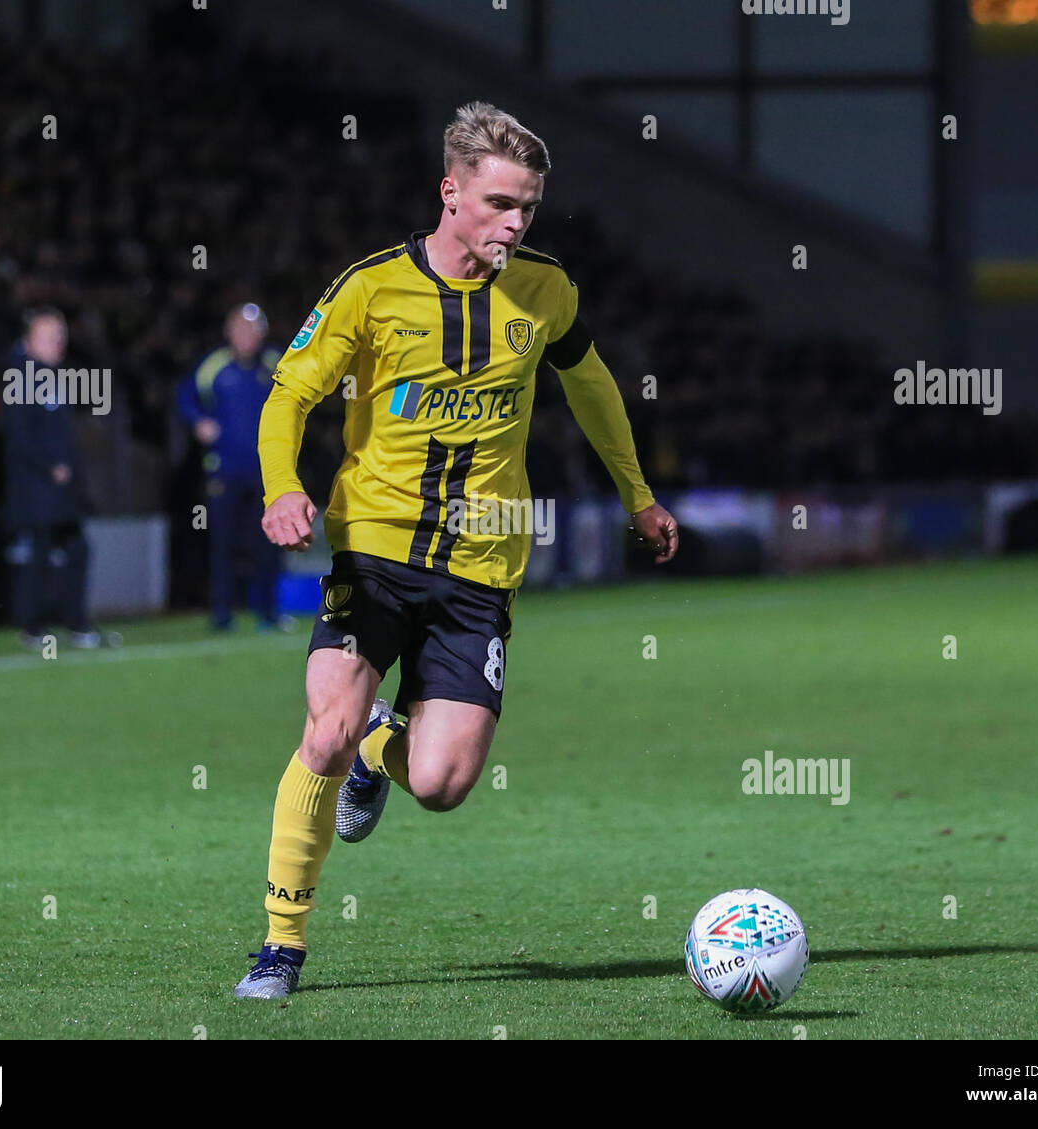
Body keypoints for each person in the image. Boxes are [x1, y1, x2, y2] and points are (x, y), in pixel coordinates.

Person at [234, 102, 679, 999]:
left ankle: (378, 754)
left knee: (440, 783)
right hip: (374, 554)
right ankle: (281, 946)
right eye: (502, 203)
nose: (516, 223)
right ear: (452, 191)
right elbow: (288, 396)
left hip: (481, 568)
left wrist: (637, 491)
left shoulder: (546, 290)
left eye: (529, 208)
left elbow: (589, 384)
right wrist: (283, 484)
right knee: (322, 729)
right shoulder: (369, 287)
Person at [2, 308, 111, 650]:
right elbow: (20, 437)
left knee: (74, 551)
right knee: (42, 555)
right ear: (29, 340)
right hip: (38, 490)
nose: (58, 343)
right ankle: (36, 628)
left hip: (59, 490)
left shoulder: (51, 376)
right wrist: (51, 467)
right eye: (50, 337)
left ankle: (72, 624)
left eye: (60, 336)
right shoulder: (20, 376)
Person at [177, 304, 289, 631]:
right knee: (223, 543)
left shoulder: (274, 364)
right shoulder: (214, 366)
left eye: (253, 330)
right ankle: (222, 613)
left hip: (266, 471)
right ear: (229, 332)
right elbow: (185, 396)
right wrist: (199, 422)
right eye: (241, 329)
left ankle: (267, 612)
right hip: (224, 470)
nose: (247, 337)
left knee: (267, 542)